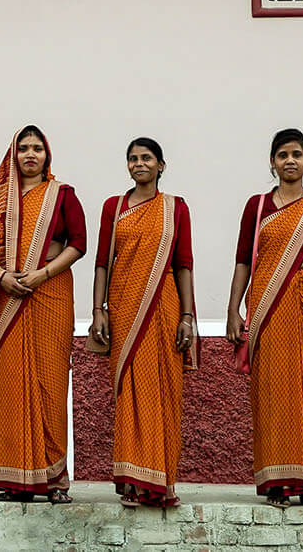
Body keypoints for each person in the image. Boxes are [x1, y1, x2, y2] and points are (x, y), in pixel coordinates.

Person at [225, 128, 303, 506]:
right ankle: (278, 483)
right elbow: (244, 259)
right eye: (282, 155)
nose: (290, 161)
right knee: (273, 391)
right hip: (268, 308)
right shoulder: (257, 206)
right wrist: (234, 309)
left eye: (297, 154)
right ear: (272, 162)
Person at [0, 125, 85, 504]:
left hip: (51, 292)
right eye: (24, 148)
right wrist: (1, 277)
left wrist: (40, 274)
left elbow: (79, 244)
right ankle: (15, 480)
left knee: (50, 385)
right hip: (8, 296)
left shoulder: (62, 195)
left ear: (47, 154)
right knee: (11, 386)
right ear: (14, 155)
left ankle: (54, 480)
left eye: (38, 148)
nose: (31, 154)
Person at [89, 137, 196, 508]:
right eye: (132, 158)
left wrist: (187, 316)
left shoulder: (175, 208)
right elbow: (103, 260)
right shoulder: (113, 207)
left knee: (164, 391)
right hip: (123, 305)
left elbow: (183, 264)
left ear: (161, 165)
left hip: (164, 307)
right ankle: (133, 481)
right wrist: (98, 309)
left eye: (146, 158)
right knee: (130, 392)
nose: (139, 164)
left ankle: (161, 481)